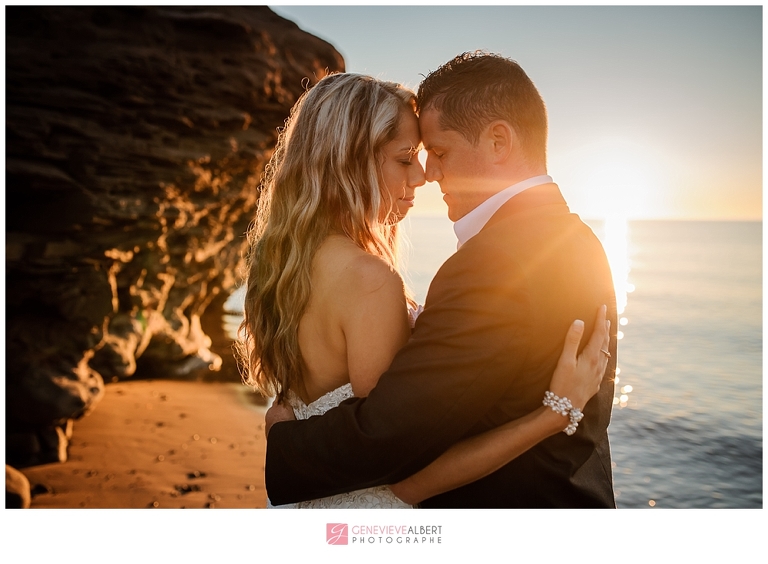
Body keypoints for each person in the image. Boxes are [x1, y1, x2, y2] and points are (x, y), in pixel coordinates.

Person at [251, 61, 617, 508]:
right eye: (410, 158)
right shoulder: (581, 242)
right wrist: (552, 416)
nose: (427, 174)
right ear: (349, 161)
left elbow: (390, 436)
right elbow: (394, 446)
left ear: (498, 141)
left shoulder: (281, 263)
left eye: (436, 153)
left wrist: (285, 440)